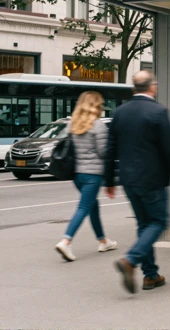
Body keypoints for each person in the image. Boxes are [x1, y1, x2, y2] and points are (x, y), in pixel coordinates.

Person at [105, 71, 170, 294]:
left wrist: (108, 180)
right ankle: (130, 260)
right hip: (153, 179)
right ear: (152, 87)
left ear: (134, 88)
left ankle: (150, 276)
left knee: (144, 224)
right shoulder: (158, 112)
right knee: (158, 223)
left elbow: (110, 149)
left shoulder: (120, 112)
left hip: (129, 179)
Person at [55, 92, 118, 262]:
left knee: (92, 206)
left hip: (77, 174)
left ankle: (103, 241)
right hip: (93, 174)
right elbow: (103, 152)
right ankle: (66, 241)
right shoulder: (98, 126)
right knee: (84, 207)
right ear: (96, 105)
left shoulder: (72, 125)